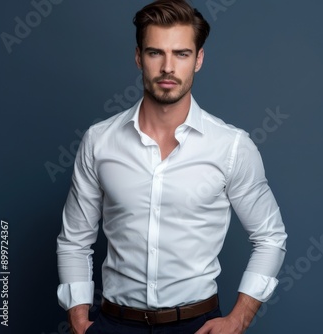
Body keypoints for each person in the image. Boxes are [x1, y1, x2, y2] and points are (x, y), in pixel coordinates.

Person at [56, 1, 287, 333]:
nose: (167, 67)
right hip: (114, 323)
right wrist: (79, 322)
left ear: (199, 59)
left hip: (197, 325)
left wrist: (239, 318)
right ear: (138, 57)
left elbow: (270, 237)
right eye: (155, 53)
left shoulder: (231, 146)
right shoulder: (99, 141)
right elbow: (74, 241)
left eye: (181, 54)